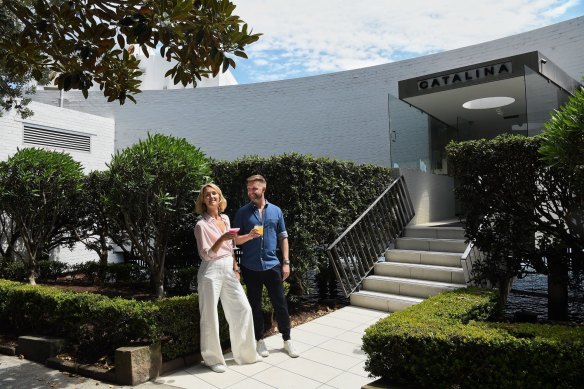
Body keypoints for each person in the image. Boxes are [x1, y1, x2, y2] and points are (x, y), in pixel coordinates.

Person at [194, 183, 261, 373]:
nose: (211, 197)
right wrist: (221, 239)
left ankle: (247, 354)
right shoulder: (201, 225)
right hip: (210, 271)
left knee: (243, 308)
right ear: (203, 200)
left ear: (220, 197)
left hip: (228, 268)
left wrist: (249, 236)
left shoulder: (225, 218)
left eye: (214, 193)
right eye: (207, 195)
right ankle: (212, 358)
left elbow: (233, 243)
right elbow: (205, 254)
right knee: (209, 316)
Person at [234, 174, 299, 358]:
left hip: (272, 265)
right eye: (248, 189)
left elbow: (283, 237)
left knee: (280, 304)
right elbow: (236, 241)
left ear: (263, 188)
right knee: (254, 305)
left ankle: (287, 340)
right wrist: (249, 236)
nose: (250, 192)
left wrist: (286, 262)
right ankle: (259, 340)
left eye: (254, 189)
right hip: (251, 266)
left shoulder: (276, 211)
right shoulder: (242, 213)